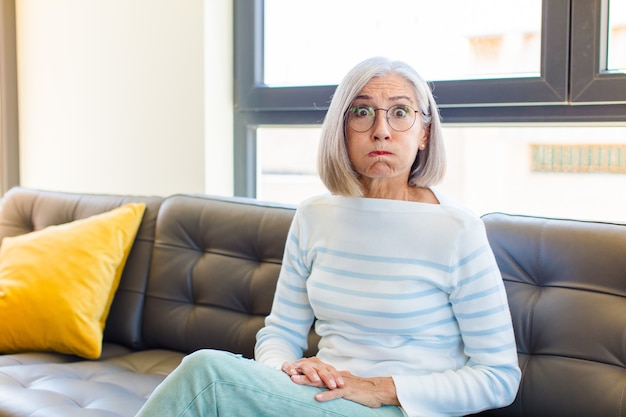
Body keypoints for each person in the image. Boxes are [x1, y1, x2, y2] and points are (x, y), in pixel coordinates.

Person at [136, 56, 521, 417]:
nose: (381, 130)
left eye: (400, 112)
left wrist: (381, 388)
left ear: (424, 133)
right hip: (318, 399)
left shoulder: (457, 230)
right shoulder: (314, 216)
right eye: (362, 112)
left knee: (210, 375)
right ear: (342, 129)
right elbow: (281, 333)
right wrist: (287, 369)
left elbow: (499, 377)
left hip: (401, 408)